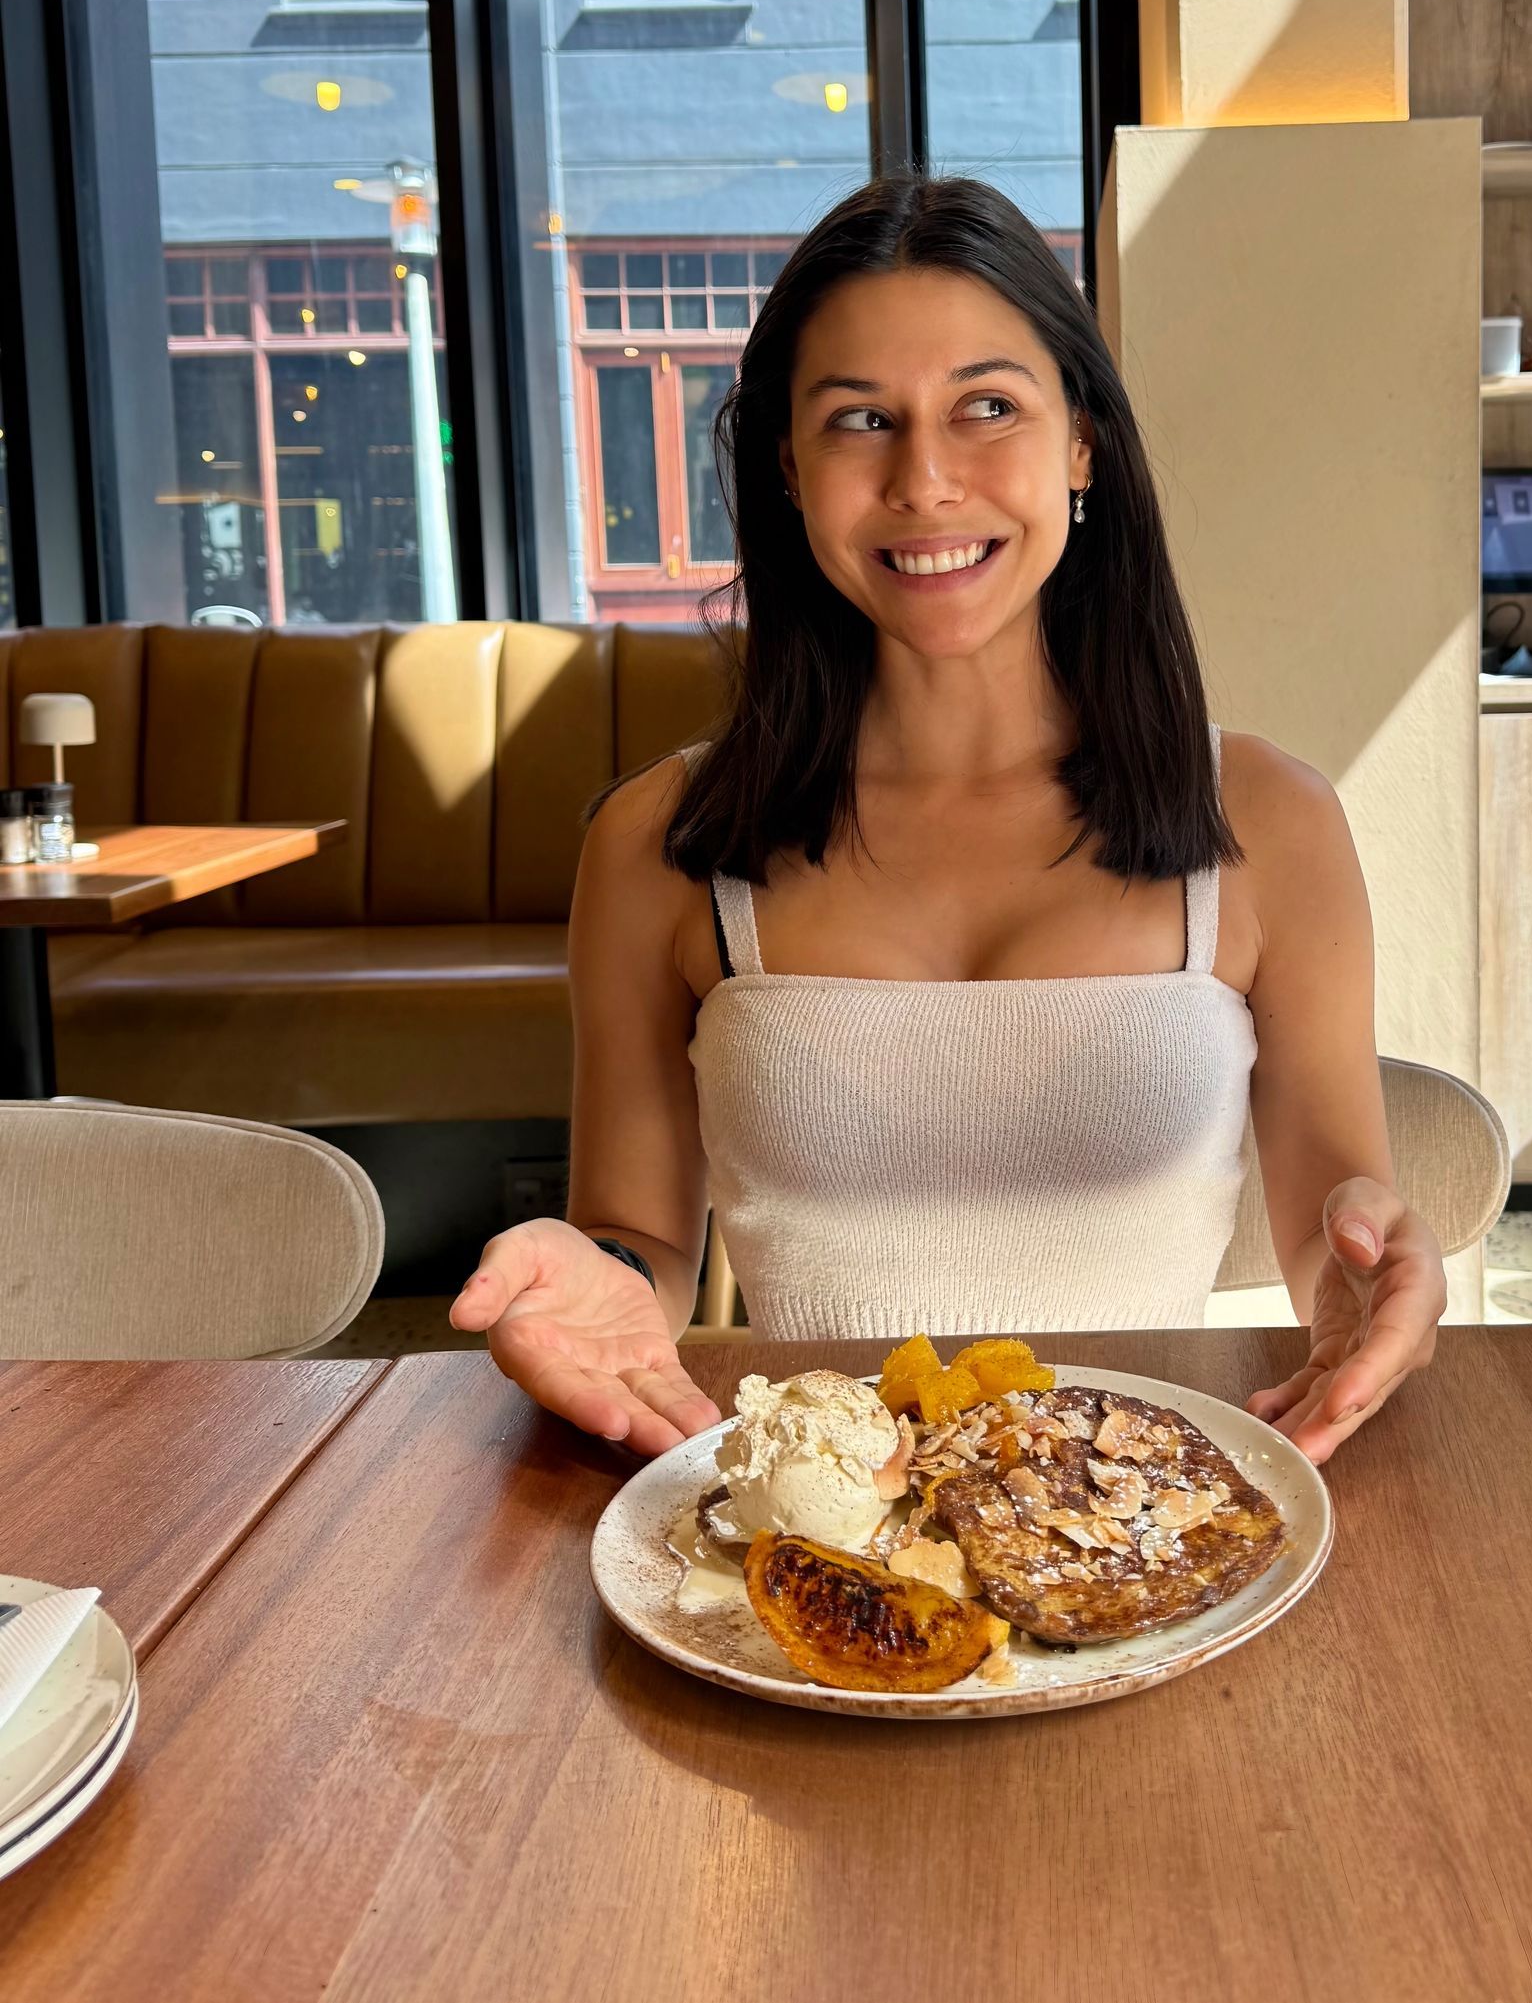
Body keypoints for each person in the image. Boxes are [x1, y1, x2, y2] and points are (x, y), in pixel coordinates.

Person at [451, 175, 1446, 1465]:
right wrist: (578, 1275)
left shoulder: (1266, 820)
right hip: (824, 1556)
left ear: (1080, 442)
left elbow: (1330, 1223)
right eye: (861, 420)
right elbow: (635, 1250)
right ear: (789, 471)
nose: (924, 481)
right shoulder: (660, 843)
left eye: (988, 407)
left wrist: (1371, 1260)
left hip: (1135, 1525)